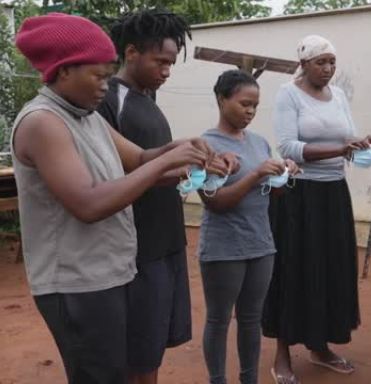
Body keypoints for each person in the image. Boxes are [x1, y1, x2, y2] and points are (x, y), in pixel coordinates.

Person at [11, 13, 226, 384]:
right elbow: (89, 204)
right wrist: (166, 163)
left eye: (109, 75)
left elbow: (140, 159)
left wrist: (183, 149)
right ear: (64, 71)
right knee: (101, 375)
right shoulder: (44, 122)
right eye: (99, 76)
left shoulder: (87, 116)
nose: (105, 86)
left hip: (108, 273)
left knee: (116, 370)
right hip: (76, 284)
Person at [96, 10, 238, 384]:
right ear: (130, 53)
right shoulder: (108, 98)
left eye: (171, 63)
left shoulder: (146, 100)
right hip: (136, 248)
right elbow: (116, 173)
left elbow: (153, 165)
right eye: (160, 61)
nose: (167, 70)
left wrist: (200, 166)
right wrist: (187, 168)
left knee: (151, 348)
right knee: (138, 354)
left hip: (164, 240)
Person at [261, 35, 371, 383]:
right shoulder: (288, 94)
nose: (328, 69)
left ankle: (320, 346)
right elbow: (287, 146)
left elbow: (348, 136)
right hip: (299, 196)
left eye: (332, 62)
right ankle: (282, 354)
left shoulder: (339, 96)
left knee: (331, 269)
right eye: (321, 62)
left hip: (333, 194)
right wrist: (339, 149)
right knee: (294, 269)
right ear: (304, 64)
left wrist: (363, 142)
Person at [198, 70, 300, 384]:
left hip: (260, 244)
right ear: (221, 99)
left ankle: (249, 379)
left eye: (255, 106)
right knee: (218, 319)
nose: (250, 111)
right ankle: (218, 379)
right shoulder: (205, 146)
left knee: (251, 319)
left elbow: (273, 192)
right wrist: (256, 174)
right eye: (244, 103)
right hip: (224, 248)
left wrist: (285, 174)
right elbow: (214, 202)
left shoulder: (259, 142)